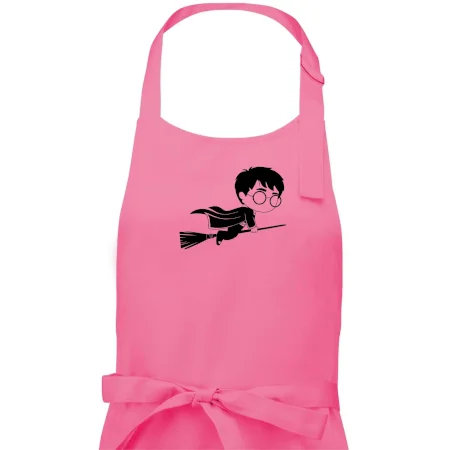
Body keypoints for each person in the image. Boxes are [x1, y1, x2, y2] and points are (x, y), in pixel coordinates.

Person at [191, 167, 284, 245]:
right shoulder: (247, 211)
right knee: (231, 234)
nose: (267, 201)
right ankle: (221, 235)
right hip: (237, 222)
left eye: (274, 197)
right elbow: (249, 218)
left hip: (239, 224)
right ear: (242, 195)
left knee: (232, 234)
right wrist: (253, 227)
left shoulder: (250, 211)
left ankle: (221, 234)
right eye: (260, 195)